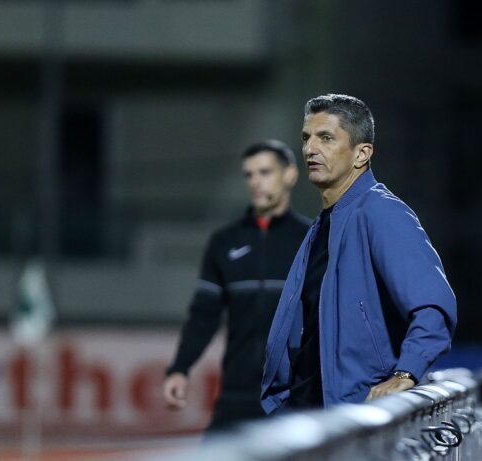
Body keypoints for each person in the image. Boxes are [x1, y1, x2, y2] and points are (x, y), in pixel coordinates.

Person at [261, 94, 457, 412]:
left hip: (351, 413)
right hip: (308, 410)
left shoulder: (381, 212)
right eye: (307, 137)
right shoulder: (322, 225)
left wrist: (406, 373)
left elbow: (434, 307)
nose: (310, 149)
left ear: (361, 154)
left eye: (326, 138)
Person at [163, 140, 311, 432]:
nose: (255, 182)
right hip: (237, 393)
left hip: (295, 395)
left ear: (290, 175)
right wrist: (180, 368)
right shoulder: (225, 241)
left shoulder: (312, 239)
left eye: (265, 172)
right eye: (249, 174)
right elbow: (204, 315)